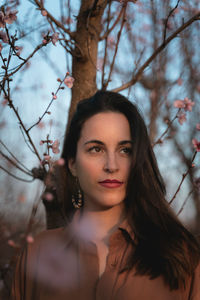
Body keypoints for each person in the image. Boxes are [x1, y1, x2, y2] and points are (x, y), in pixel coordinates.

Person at [12, 90, 200, 300]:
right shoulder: (38, 253)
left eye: (125, 150)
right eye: (96, 149)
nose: (112, 166)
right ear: (73, 164)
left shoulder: (181, 256)